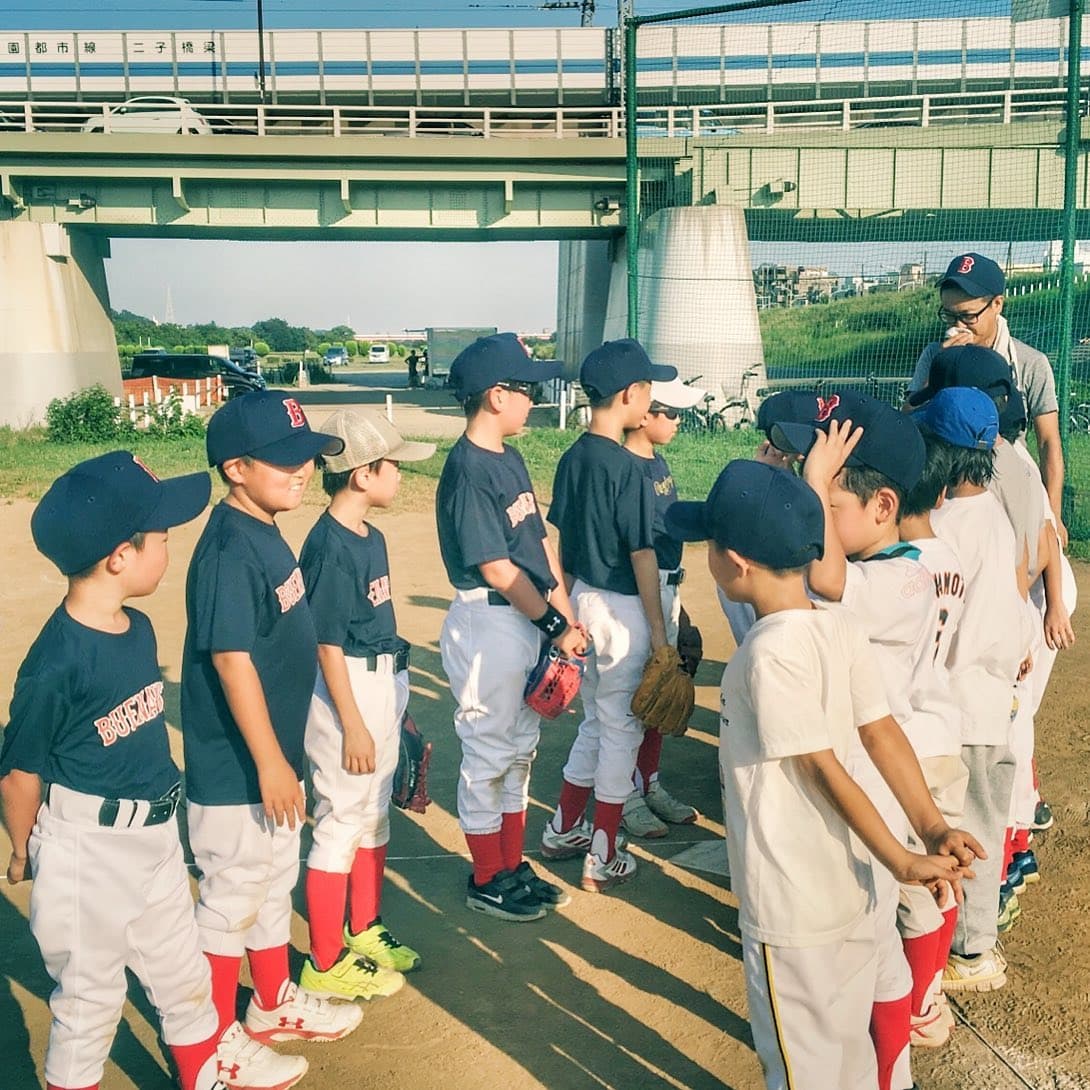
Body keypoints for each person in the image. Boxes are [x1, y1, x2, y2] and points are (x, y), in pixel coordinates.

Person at [663, 459, 978, 1090]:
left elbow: (819, 765)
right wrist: (932, 826)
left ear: (736, 563)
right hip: (853, 895)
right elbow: (880, 730)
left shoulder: (767, 651)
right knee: (852, 1064)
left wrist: (903, 857)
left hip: (792, 911)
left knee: (804, 1074)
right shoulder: (838, 625)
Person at [0, 451, 303, 1090]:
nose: (169, 547)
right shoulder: (54, 664)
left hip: (155, 836)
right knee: (90, 1004)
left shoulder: (135, 629)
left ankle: (203, 1079)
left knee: (186, 979)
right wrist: (25, 849)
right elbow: (19, 772)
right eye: (160, 538)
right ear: (119, 555)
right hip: (88, 850)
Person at [181, 392, 363, 1052]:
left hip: (270, 762)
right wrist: (269, 763)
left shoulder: (265, 525)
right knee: (231, 900)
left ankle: (271, 1003)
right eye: (284, 461)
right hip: (237, 771)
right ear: (234, 468)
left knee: (270, 883)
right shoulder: (230, 548)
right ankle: (212, 1038)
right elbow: (232, 662)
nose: (303, 471)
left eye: (308, 458)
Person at [775, 394, 942, 1090]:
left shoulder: (903, 577)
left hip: (870, 787)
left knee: (867, 948)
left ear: (882, 506)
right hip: (862, 781)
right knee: (874, 948)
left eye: (831, 502)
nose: (817, 517)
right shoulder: (887, 563)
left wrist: (810, 482)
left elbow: (826, 577)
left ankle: (883, 1073)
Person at [435, 333, 586, 922]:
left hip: (527, 620)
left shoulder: (510, 456)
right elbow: (497, 569)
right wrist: (552, 621)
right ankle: (485, 876)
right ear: (496, 397)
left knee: (520, 751)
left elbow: (537, 544)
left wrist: (564, 616)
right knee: (489, 753)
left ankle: (510, 864)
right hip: (489, 623)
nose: (534, 399)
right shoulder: (467, 468)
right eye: (527, 389)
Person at [299, 409, 436, 998]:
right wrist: (354, 725)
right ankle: (324, 962)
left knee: (375, 813)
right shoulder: (328, 546)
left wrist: (393, 706)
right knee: (341, 821)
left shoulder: (370, 537)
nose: (400, 476)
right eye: (392, 466)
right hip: (343, 690)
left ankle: (365, 927)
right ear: (360, 474)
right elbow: (325, 646)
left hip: (383, 680)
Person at [540, 338, 677, 893]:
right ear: (630, 394)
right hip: (623, 610)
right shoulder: (628, 466)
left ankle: (562, 827)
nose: (651, 395)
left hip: (586, 604)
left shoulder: (572, 457)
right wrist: (661, 635)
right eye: (648, 387)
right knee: (622, 729)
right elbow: (643, 555)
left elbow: (564, 546)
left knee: (598, 721)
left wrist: (564, 616)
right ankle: (602, 852)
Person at [913, 388, 1032, 992]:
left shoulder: (949, 525)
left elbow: (954, 631)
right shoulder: (993, 511)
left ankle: (972, 952)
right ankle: (970, 944)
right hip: (990, 699)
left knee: (968, 830)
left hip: (964, 705)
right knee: (976, 826)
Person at [906, 253, 1066, 543]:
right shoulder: (933, 355)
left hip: (1008, 483)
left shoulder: (1030, 362)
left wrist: (1053, 515)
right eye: (949, 315)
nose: (958, 325)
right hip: (946, 490)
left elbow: (1048, 441)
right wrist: (940, 367)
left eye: (967, 315)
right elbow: (907, 416)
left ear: (997, 304)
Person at [620, 376, 707, 839]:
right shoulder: (627, 468)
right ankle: (624, 793)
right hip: (641, 592)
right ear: (644, 413)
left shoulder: (658, 461)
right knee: (635, 698)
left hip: (668, 589)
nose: (678, 421)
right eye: (670, 413)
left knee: (661, 693)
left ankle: (648, 782)